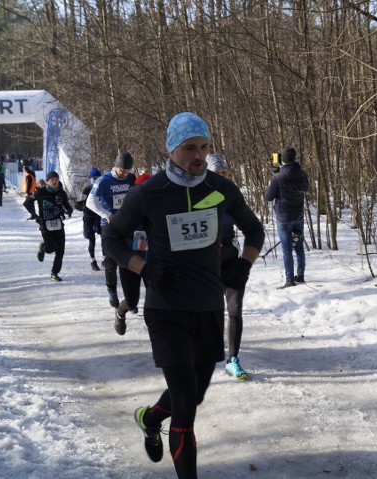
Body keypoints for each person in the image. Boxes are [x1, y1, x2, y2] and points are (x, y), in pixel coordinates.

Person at [102, 112, 264, 478]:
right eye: (190, 148)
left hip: (208, 308)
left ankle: (151, 416)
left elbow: (254, 230)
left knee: (193, 395)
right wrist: (143, 268)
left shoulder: (219, 189)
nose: (199, 156)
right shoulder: (149, 193)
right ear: (172, 149)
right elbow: (111, 238)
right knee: (187, 407)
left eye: (204, 147)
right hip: (167, 309)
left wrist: (244, 265)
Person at [86, 152, 141, 334]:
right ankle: (112, 290)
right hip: (110, 227)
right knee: (111, 260)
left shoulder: (131, 179)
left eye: (127, 170)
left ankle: (129, 301)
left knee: (130, 258)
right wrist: (107, 215)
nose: (125, 173)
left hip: (129, 225)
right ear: (115, 166)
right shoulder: (103, 181)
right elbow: (90, 202)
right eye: (122, 170)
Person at [206, 153, 249, 380]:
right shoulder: (199, 196)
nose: (223, 177)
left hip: (232, 259)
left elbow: (249, 224)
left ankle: (233, 360)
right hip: (207, 264)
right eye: (218, 174)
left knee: (234, 311)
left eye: (225, 173)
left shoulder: (232, 195)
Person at [265, 145, 309, 289]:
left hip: (284, 218)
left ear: (282, 159)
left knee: (287, 249)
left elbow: (269, 197)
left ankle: (290, 280)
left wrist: (273, 179)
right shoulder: (302, 174)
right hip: (299, 215)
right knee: (299, 247)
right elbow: (305, 188)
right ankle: (300, 276)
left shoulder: (278, 177)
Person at [34, 171, 73, 282]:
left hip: (59, 224)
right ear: (47, 181)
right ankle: (44, 247)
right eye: (52, 180)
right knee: (50, 249)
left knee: (60, 251)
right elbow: (27, 202)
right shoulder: (40, 192)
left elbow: (66, 204)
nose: (55, 181)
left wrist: (69, 209)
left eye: (56, 179)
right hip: (45, 225)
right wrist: (34, 215)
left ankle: (54, 273)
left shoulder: (62, 193)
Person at [76, 167, 102, 271]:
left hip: (99, 216)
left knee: (104, 237)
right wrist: (86, 207)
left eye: (97, 177)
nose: (95, 179)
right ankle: (93, 260)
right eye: (93, 178)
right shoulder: (86, 190)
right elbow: (77, 204)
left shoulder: (103, 188)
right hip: (88, 217)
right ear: (90, 179)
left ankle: (105, 259)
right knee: (92, 240)